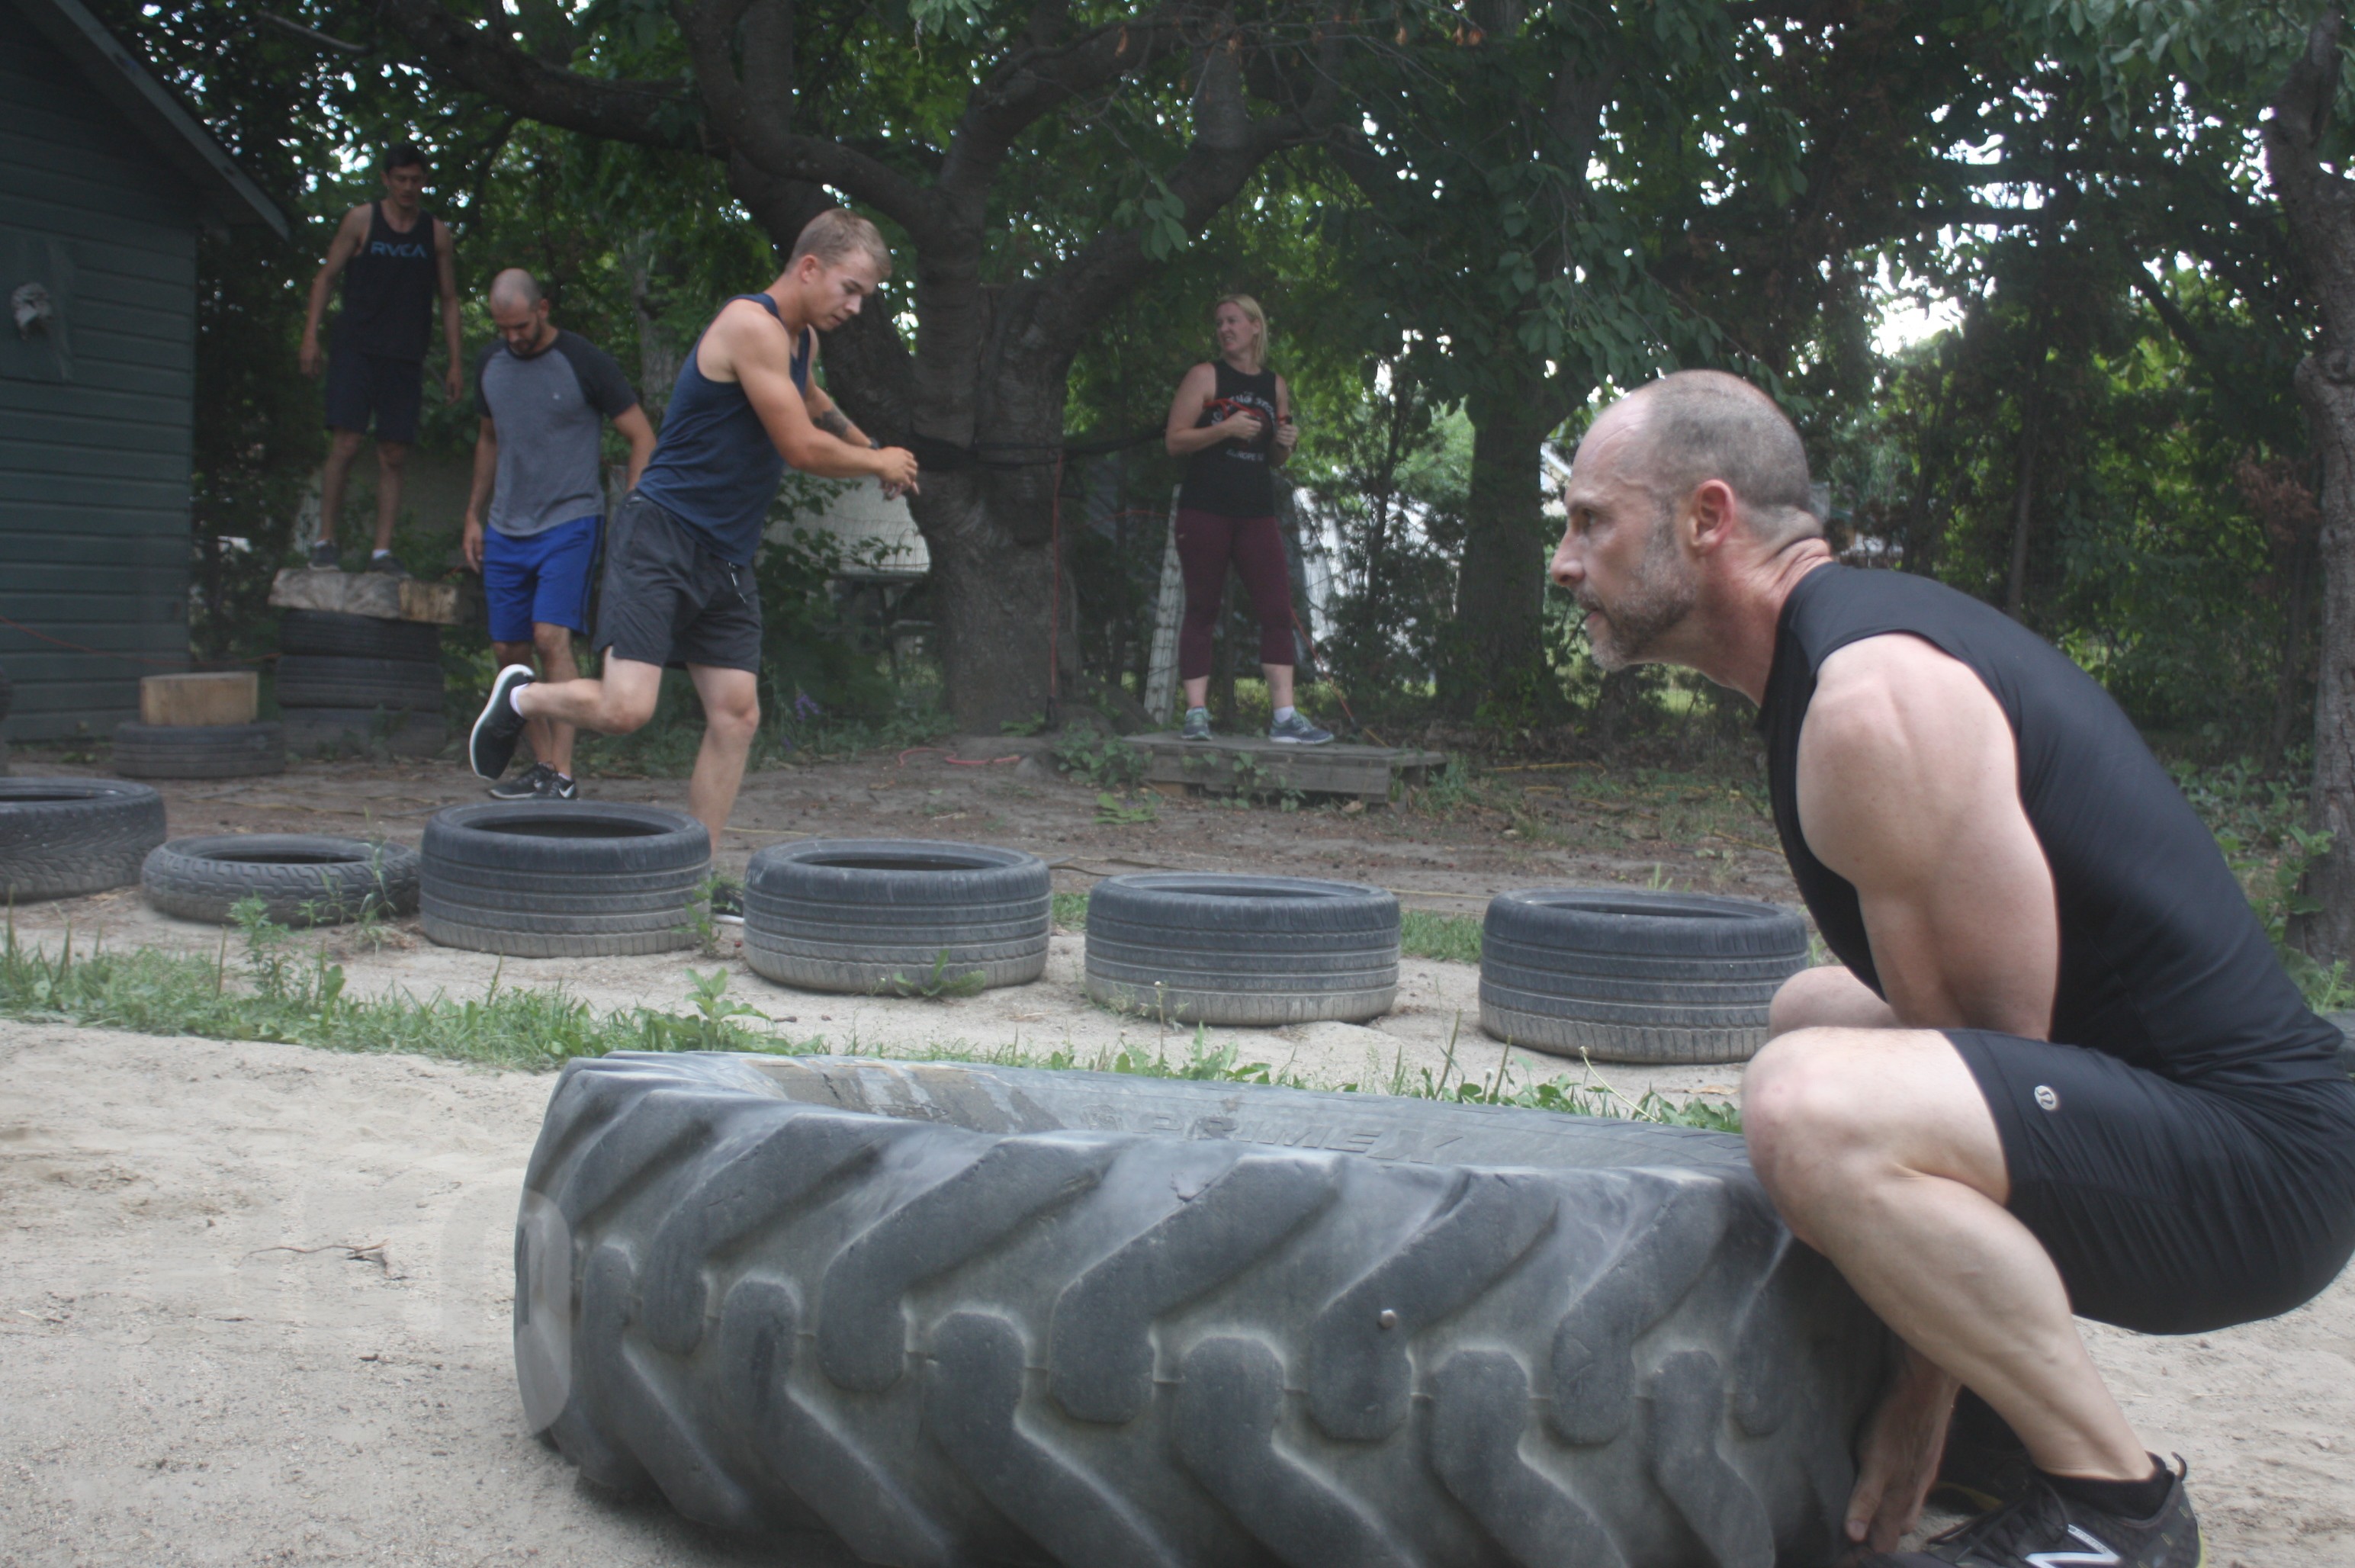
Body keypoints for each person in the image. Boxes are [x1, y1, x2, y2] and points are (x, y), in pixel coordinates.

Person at [1547, 368, 2355, 1568]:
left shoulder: (1871, 704)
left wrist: (1920, 1400)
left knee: (1810, 1105)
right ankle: (1995, 1427)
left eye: (1589, 520)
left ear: (1707, 519)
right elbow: (1973, 1061)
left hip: (2263, 1169)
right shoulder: (1834, 663)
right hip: (2175, 1122)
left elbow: (1990, 1063)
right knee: (1809, 1014)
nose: (1566, 560)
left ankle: (2110, 1511)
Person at [467, 210, 920, 919]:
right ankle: (521, 698)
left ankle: (693, 882)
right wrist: (876, 462)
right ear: (809, 267)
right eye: (851, 288)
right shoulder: (749, 325)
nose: (856, 307)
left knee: (736, 715)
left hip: (726, 555)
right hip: (664, 537)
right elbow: (799, 446)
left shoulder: (797, 340)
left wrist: (867, 440)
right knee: (625, 709)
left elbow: (810, 399)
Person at [462, 269, 657, 801]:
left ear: (544, 308)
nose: (514, 338)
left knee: (551, 639)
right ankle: (543, 765)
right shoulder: (491, 365)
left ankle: (563, 773)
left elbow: (641, 435)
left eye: (521, 325)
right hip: (505, 525)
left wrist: (633, 513)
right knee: (509, 651)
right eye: (503, 328)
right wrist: (473, 515)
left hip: (570, 521)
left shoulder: (583, 361)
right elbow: (488, 441)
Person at [1161, 294, 1330, 744]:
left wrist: (1286, 442)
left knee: (1276, 609)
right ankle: (1196, 714)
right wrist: (1225, 429)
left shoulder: (1275, 385)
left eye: (1233, 321)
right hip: (1205, 508)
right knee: (1202, 607)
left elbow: (1274, 456)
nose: (1224, 329)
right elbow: (1174, 441)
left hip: (1256, 512)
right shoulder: (1205, 376)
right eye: (1219, 323)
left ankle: (1285, 718)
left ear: (1255, 326)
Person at [298, 142, 463, 577]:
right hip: (356, 348)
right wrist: (310, 337)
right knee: (346, 443)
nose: (409, 187)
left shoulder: (436, 233)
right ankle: (324, 541)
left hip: (404, 355)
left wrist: (455, 362)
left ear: (424, 181)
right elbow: (326, 277)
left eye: (416, 179)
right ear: (386, 180)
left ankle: (382, 552)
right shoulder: (361, 220)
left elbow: (448, 299)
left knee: (393, 453)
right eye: (401, 180)